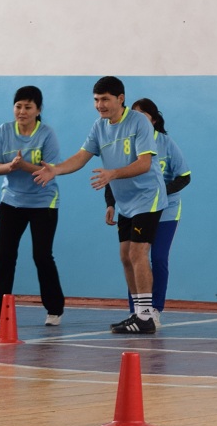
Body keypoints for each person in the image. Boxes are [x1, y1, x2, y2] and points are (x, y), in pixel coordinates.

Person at [34, 76, 164, 334]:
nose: (99, 105)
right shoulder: (99, 126)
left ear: (120, 99)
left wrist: (113, 174)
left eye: (105, 99)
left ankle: (146, 316)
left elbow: (144, 163)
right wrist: (56, 170)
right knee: (125, 256)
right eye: (96, 100)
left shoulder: (138, 121)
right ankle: (138, 313)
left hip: (148, 197)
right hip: (126, 202)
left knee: (138, 253)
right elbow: (82, 157)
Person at [0, 85, 65, 327]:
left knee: (42, 255)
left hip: (43, 202)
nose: (22, 111)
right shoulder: (4, 130)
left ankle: (54, 309)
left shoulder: (47, 134)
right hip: (12, 201)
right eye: (18, 106)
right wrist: (10, 166)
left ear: (38, 110)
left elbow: (50, 170)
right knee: (5, 256)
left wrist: (23, 166)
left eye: (28, 107)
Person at [109, 98, 190, 328]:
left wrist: (159, 192)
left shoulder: (165, 143)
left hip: (165, 210)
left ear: (153, 120)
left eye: (143, 116)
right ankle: (137, 311)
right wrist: (110, 203)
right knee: (133, 257)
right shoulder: (126, 143)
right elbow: (114, 174)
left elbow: (185, 176)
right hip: (136, 208)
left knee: (159, 258)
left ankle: (155, 309)